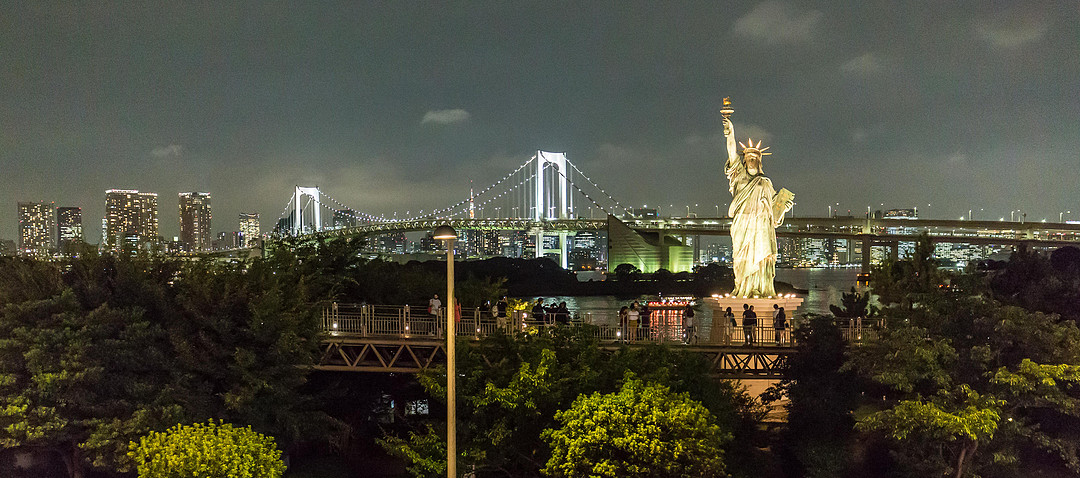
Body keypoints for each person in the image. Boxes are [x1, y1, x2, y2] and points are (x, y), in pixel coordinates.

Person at [722, 116, 794, 298]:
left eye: (755, 158)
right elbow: (731, 152)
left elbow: (774, 210)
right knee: (741, 258)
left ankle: (760, 288)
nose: (751, 160)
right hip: (743, 224)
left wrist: (784, 206)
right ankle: (743, 287)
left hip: (762, 226)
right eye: (748, 157)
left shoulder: (765, 182)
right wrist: (730, 132)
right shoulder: (738, 176)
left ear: (759, 161)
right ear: (744, 160)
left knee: (762, 257)